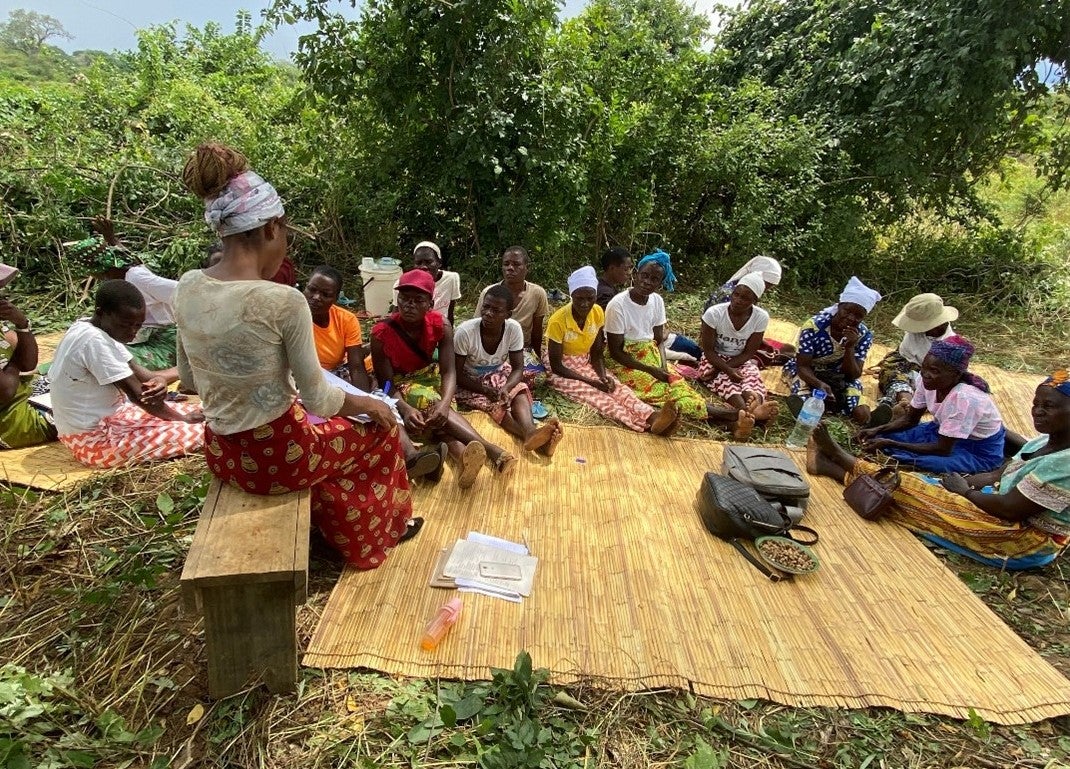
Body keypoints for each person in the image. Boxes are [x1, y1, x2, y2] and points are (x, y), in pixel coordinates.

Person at [177, 143, 417, 569]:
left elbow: (189, 379)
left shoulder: (189, 285)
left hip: (223, 455)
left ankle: (330, 526)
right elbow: (321, 399)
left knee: (329, 439)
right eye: (285, 234)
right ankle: (373, 538)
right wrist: (371, 404)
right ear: (272, 228)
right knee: (377, 434)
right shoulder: (283, 301)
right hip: (279, 460)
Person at [806, 370, 1070, 570]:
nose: (1037, 411)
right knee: (922, 486)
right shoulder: (1044, 441)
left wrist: (966, 492)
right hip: (1001, 503)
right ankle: (831, 468)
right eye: (1036, 403)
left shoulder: (1065, 464)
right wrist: (972, 483)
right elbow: (1002, 473)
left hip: (1023, 540)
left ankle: (841, 460)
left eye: (1048, 406)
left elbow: (1009, 509)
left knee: (913, 493)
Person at [372, 269, 518, 488]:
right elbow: (386, 383)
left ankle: (463, 461)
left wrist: (445, 402)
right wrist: (404, 408)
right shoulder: (381, 333)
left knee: (439, 420)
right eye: (404, 298)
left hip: (431, 378)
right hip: (401, 384)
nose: (409, 304)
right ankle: (491, 450)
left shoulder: (441, 326)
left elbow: (449, 371)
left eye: (418, 300)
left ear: (430, 303)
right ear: (397, 299)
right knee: (432, 406)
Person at [50, 280, 203, 468]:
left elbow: (145, 377)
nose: (132, 332)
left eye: (138, 326)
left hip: (113, 421)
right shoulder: (94, 341)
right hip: (95, 441)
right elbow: (139, 396)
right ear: (101, 313)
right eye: (126, 325)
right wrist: (184, 420)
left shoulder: (91, 328)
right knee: (206, 430)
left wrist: (161, 380)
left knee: (204, 413)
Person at [604, 249, 755, 438]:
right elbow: (616, 352)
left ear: (661, 283)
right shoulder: (617, 305)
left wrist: (661, 364)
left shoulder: (657, 301)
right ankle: (731, 415)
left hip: (651, 354)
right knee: (663, 394)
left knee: (678, 385)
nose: (647, 282)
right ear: (635, 274)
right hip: (624, 361)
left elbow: (658, 340)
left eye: (654, 279)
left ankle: (732, 424)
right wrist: (651, 370)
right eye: (644, 275)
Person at [546, 266, 677, 435]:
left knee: (616, 388)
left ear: (595, 296)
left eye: (590, 298)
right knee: (596, 396)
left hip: (585, 361)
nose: (585, 304)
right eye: (579, 298)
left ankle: (653, 417)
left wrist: (602, 376)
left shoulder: (597, 312)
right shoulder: (558, 320)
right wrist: (592, 382)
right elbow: (556, 366)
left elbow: (597, 354)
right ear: (571, 296)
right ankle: (644, 425)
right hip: (563, 368)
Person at [859, 335, 1006, 474]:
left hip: (977, 449)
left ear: (956, 374)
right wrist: (877, 429)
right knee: (882, 436)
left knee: (921, 460)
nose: (925, 374)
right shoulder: (927, 380)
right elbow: (910, 420)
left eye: (934, 371)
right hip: (941, 432)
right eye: (924, 367)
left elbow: (943, 449)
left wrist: (891, 443)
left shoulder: (964, 398)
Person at [454, 284, 563, 456]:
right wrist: (484, 389)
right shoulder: (465, 332)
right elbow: (456, 374)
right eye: (486, 307)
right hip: (470, 379)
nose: (488, 313)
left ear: (508, 314)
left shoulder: (513, 329)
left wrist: (506, 388)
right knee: (494, 405)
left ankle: (530, 431)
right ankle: (535, 439)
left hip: (498, 372)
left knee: (518, 389)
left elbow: (518, 368)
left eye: (496, 310)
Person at [67, 227, 179, 370]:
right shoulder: (120, 279)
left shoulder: (137, 277)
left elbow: (182, 290)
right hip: (141, 338)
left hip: (164, 339)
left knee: (115, 359)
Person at [784, 276, 883, 425]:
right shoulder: (814, 326)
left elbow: (854, 375)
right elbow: (802, 366)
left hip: (839, 375)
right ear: (839, 306)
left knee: (859, 410)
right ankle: (805, 409)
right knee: (806, 396)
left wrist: (850, 347)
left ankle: (870, 420)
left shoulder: (863, 335)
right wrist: (820, 384)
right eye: (847, 311)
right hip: (808, 371)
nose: (851, 318)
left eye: (858, 316)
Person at [697, 272, 779, 422]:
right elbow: (708, 351)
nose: (737, 300)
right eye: (736, 294)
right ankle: (748, 411)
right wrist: (725, 369)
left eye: (745, 298)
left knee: (751, 378)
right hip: (714, 358)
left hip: (741, 359)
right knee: (726, 383)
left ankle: (754, 405)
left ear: (755, 300)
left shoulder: (760, 317)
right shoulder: (714, 314)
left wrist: (726, 368)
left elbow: (749, 352)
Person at [473, 246, 549, 383]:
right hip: (494, 350)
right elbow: (478, 326)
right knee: (486, 377)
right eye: (506, 264)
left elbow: (537, 331)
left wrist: (537, 356)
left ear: (527, 267)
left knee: (539, 379)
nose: (510, 268)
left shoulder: (537, 293)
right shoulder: (489, 293)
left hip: (522, 349)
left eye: (516, 264)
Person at [876, 293, 957, 411]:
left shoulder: (951, 345)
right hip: (905, 364)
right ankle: (905, 402)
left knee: (933, 388)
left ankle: (901, 405)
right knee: (891, 373)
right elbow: (901, 356)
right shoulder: (914, 334)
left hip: (930, 374)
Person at [0, 297, 57, 449]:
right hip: (11, 423)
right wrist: (15, 363)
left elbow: (28, 364)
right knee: (89, 409)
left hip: (22, 398)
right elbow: (5, 390)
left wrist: (22, 324)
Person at [305, 265, 372, 388]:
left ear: (335, 298)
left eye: (325, 294)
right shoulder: (291, 316)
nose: (316, 297)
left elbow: (356, 367)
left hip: (334, 376)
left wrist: (364, 400)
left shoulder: (346, 320)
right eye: (312, 289)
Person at [413, 241, 461, 325]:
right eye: (418, 263)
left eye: (428, 262)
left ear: (439, 263)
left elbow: (450, 312)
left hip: (440, 328)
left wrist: (450, 332)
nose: (423, 266)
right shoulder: (404, 284)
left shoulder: (451, 279)